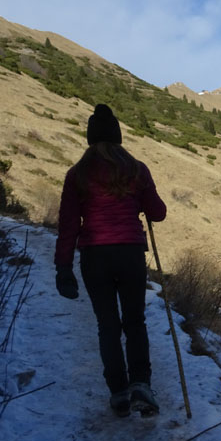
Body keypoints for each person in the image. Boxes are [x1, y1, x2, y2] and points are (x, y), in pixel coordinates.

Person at [54, 103, 167, 417]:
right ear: (118, 137)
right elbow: (158, 212)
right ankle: (141, 384)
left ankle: (118, 392)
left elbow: (68, 225)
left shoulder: (77, 175)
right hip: (130, 253)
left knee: (108, 326)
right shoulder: (136, 169)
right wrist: (142, 200)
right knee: (134, 322)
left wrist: (63, 267)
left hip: (95, 256)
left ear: (91, 139)